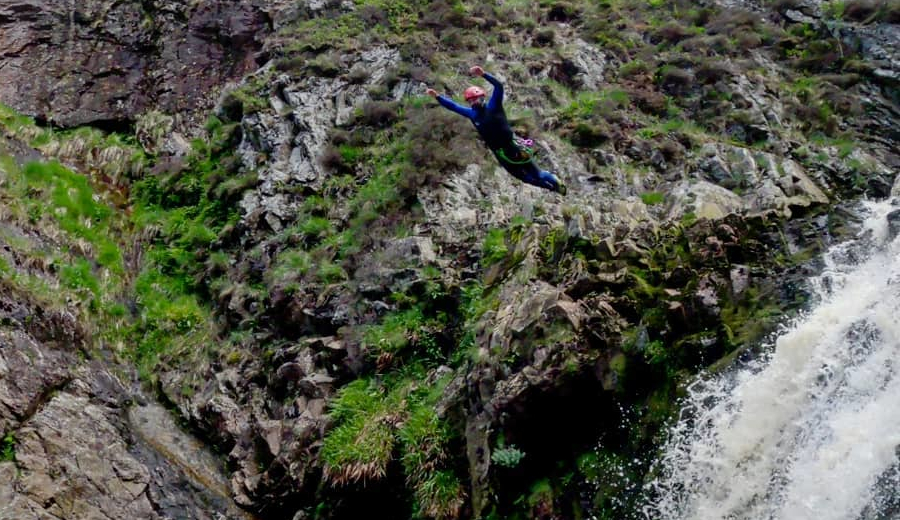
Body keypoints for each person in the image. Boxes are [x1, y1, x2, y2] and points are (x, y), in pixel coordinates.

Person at [426, 65, 566, 195]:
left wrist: (484, 74)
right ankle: (554, 188)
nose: (473, 103)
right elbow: (453, 106)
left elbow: (499, 86)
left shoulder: (494, 106)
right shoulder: (472, 114)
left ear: (482, 98)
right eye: (470, 101)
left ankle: (554, 180)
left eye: (475, 99)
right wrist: (437, 97)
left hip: (514, 147)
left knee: (537, 174)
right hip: (500, 154)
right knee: (526, 179)